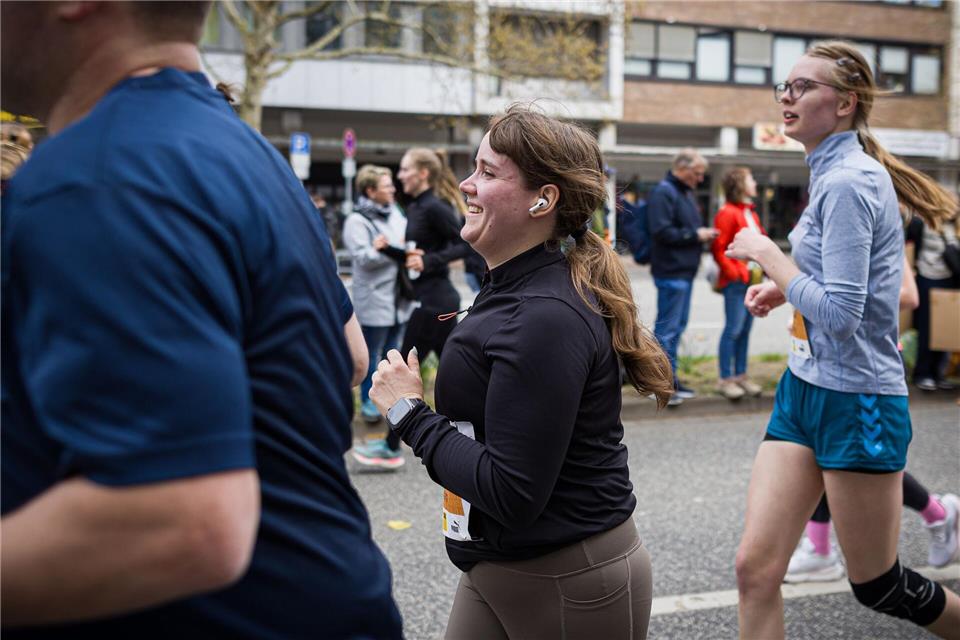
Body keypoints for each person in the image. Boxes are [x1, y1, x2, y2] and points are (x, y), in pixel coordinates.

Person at [0, 2, 401, 637]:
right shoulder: (252, 158)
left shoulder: (97, 177)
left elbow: (187, 523)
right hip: (330, 598)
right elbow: (351, 358)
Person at [369, 104, 674, 639]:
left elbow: (511, 489)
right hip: (498, 565)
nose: (466, 183)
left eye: (487, 172)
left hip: (569, 576)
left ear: (543, 199)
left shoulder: (545, 316)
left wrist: (408, 413)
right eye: (474, 167)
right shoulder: (513, 286)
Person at [726, 41, 960, 638]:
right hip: (803, 390)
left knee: (878, 586)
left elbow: (844, 315)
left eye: (803, 86)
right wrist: (782, 289)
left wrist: (769, 257)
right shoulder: (830, 171)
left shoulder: (850, 182)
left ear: (845, 103)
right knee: (755, 570)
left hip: (858, 400)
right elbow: (834, 283)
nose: (787, 95)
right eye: (785, 85)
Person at [344, 165, 417, 467]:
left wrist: (392, 249)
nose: (392, 189)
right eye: (386, 186)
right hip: (374, 298)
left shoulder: (396, 213)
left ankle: (385, 398)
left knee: (391, 349)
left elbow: (408, 244)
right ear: (370, 190)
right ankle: (372, 405)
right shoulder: (356, 220)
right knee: (370, 351)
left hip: (398, 295)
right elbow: (362, 257)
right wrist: (389, 252)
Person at [647, 148, 719, 406]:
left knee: (675, 328)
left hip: (682, 271)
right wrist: (695, 235)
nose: (700, 179)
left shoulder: (681, 192)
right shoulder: (665, 191)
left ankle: (671, 380)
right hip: (671, 270)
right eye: (698, 173)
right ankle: (663, 385)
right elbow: (661, 231)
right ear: (683, 168)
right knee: (667, 330)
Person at [711, 167, 766, 401]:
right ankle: (725, 379)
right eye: (751, 178)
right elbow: (719, 248)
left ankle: (741, 376)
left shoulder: (750, 213)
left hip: (752, 279)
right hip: (738, 281)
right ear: (740, 184)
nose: (755, 182)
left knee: (744, 330)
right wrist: (735, 272)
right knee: (733, 330)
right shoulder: (728, 212)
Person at [907, 211, 960, 392]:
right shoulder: (920, 223)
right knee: (926, 327)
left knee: (944, 327)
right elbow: (907, 243)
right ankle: (923, 373)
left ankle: (938, 373)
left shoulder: (953, 225)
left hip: (950, 278)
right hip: (927, 277)